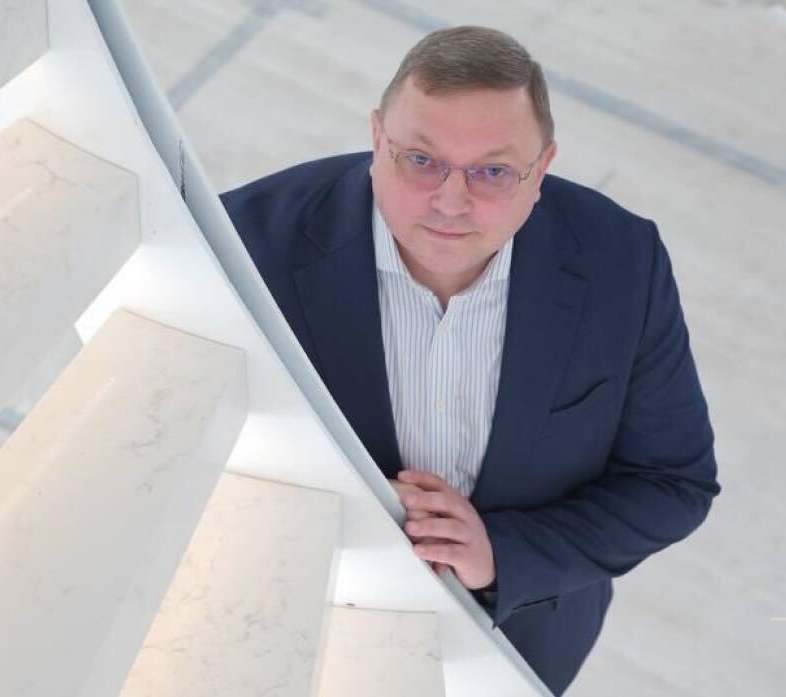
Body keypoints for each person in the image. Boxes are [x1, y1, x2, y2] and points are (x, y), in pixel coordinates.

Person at [220, 25, 721, 696]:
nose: (451, 200)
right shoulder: (242, 247)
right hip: (301, 630)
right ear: (377, 140)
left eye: (491, 171)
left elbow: (673, 483)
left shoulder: (623, 265)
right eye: (420, 160)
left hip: (514, 646)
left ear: (540, 171)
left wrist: (500, 554)